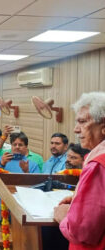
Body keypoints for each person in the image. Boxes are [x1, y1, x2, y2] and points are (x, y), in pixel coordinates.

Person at [54, 92, 105, 249]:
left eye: (83, 122)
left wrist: (64, 218)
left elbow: (83, 232)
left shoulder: (98, 164)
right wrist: (79, 200)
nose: (76, 130)